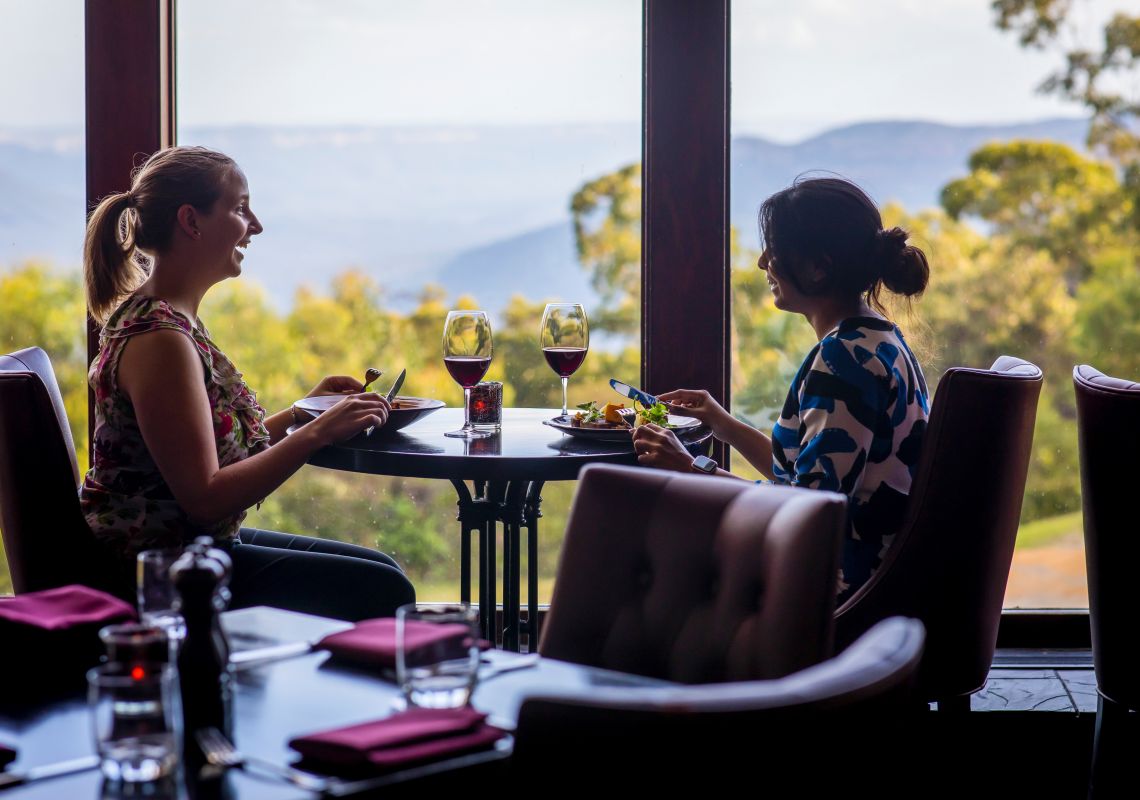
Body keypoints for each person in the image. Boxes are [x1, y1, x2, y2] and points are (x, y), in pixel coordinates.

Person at [79, 145, 414, 620]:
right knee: (383, 589)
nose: (254, 225)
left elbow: (204, 456)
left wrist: (302, 413)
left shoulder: (168, 320)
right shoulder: (159, 340)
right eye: (239, 208)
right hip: (160, 568)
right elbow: (206, 498)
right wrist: (318, 432)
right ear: (191, 222)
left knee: (380, 567)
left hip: (188, 547)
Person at [632, 176, 930, 602]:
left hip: (839, 589)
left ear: (816, 266)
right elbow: (810, 479)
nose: (762, 263)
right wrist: (723, 425)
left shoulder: (844, 361)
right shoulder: (877, 340)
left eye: (774, 250)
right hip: (874, 577)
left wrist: (691, 468)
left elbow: (803, 510)